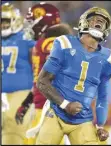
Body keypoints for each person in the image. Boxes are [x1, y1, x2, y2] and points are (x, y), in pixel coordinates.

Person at [36, 7, 111, 144]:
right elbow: (42, 81)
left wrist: (100, 125)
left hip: (83, 120)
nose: (99, 22)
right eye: (94, 19)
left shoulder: (109, 58)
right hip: (56, 112)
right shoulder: (65, 44)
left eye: (103, 21)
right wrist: (65, 104)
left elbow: (102, 96)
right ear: (84, 22)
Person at [14, 3, 72, 145]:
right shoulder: (44, 43)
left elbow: (57, 77)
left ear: (44, 24)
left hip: (49, 110)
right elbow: (40, 81)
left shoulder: (50, 44)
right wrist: (27, 103)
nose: (29, 27)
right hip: (44, 107)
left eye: (32, 22)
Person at [1, 3, 35, 145]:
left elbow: (40, 62)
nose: (3, 25)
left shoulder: (25, 38)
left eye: (5, 22)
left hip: (20, 93)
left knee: (14, 129)